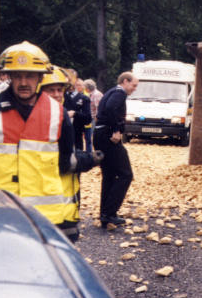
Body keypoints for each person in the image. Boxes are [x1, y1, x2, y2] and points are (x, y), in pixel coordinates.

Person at [0, 41, 80, 241]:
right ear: (8, 77)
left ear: (40, 77)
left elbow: (64, 160)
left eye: (30, 75)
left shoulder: (58, 114)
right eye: (17, 75)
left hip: (43, 218)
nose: (24, 82)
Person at [38, 66, 103, 242]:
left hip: (65, 200)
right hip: (48, 199)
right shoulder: (39, 116)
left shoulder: (60, 113)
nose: (57, 94)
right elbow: (61, 160)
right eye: (51, 90)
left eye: (60, 90)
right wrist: (88, 159)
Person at [93, 72, 138, 228]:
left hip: (99, 134)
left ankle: (105, 214)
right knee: (126, 174)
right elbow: (111, 108)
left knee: (109, 175)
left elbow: (105, 109)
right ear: (125, 82)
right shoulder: (119, 93)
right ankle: (110, 212)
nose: (134, 89)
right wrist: (116, 130)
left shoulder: (111, 92)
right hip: (107, 136)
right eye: (133, 85)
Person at [65, 77, 92, 151]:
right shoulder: (61, 96)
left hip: (77, 135)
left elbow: (88, 119)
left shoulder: (84, 98)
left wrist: (75, 114)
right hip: (62, 136)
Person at [85, 78, 103, 152]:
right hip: (91, 118)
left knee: (92, 137)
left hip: (95, 119)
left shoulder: (96, 94)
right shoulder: (91, 94)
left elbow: (99, 108)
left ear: (88, 88)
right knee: (88, 137)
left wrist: (96, 119)